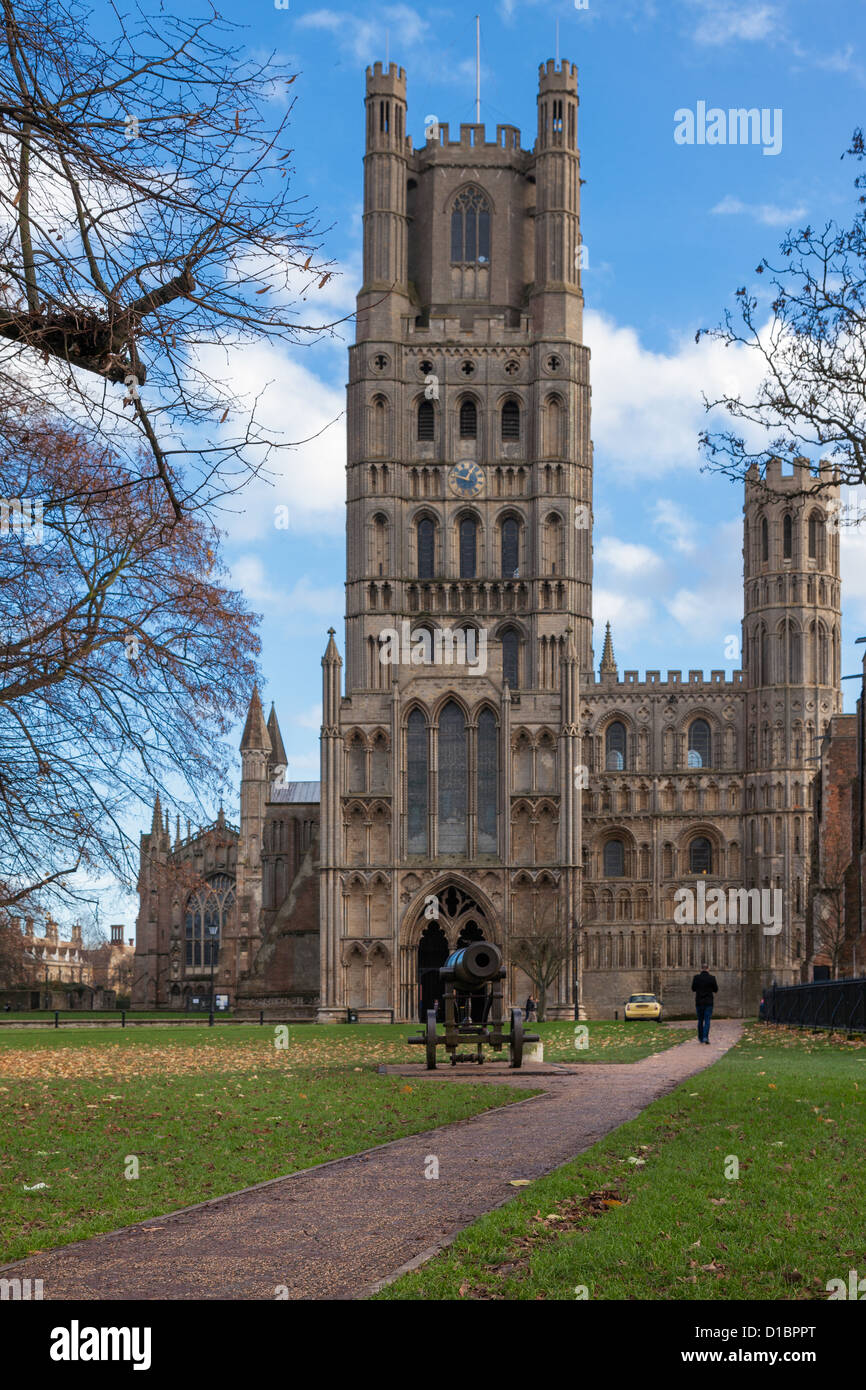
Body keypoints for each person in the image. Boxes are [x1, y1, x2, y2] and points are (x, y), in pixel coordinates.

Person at [691, 963, 718, 1043]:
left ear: (701, 969)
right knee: (707, 1020)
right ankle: (705, 1037)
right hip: (708, 1002)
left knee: (700, 1020)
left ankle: (700, 1037)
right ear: (708, 969)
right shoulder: (712, 978)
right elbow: (716, 989)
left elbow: (693, 989)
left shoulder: (696, 978)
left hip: (699, 1002)